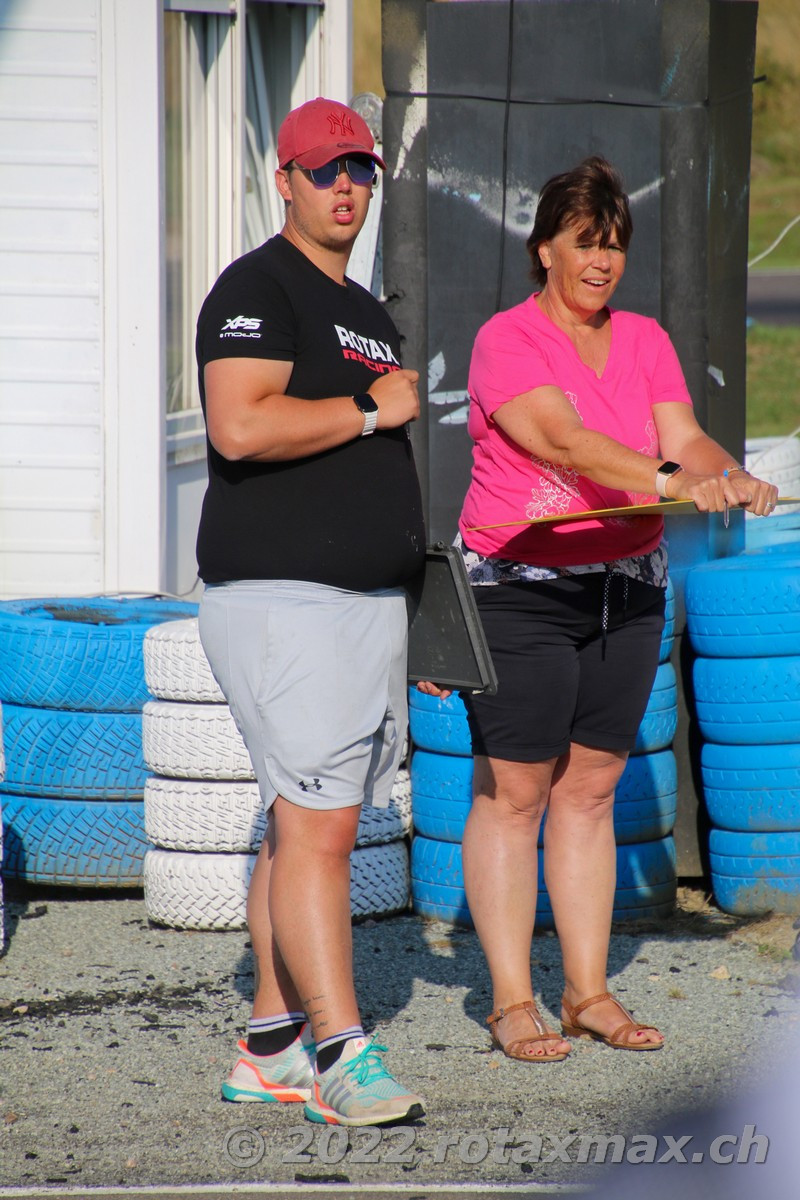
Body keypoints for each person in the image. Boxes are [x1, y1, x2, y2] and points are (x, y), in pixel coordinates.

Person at [453, 156, 778, 1063]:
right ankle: (511, 1001)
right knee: (515, 793)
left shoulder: (643, 338)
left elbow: (685, 437)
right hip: (520, 587)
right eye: (585, 243)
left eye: (616, 245)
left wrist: (729, 474)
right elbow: (565, 440)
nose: (602, 261)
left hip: (628, 586)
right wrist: (674, 480)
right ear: (545, 249)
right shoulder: (506, 339)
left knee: (591, 791)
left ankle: (586, 992)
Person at [194, 97, 428, 1126]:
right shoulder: (256, 286)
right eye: (325, 169)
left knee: (301, 828)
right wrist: (374, 407)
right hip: (285, 603)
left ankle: (268, 1046)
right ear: (283, 180)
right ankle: (341, 1054)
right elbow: (240, 426)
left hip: (361, 607)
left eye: (360, 170)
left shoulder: (362, 309)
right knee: (322, 833)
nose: (345, 186)